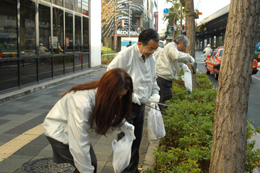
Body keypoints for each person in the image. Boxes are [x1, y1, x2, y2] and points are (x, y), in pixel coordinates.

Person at [43, 68, 135, 173]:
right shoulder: (82, 103)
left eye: (122, 96)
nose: (119, 99)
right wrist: (86, 170)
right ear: (108, 90)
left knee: (88, 163)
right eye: (118, 95)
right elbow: (79, 143)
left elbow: (111, 114)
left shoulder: (102, 92)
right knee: (78, 166)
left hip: (75, 130)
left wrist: (126, 126)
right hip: (58, 131)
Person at [107, 28, 160, 173]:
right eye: (150, 48)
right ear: (139, 44)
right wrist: (129, 95)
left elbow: (153, 79)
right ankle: (123, 170)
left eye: (155, 49)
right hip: (126, 105)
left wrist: (155, 93)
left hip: (142, 103)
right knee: (126, 140)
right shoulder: (125, 55)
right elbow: (110, 75)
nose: (152, 52)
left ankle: (133, 169)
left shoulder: (151, 58)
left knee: (136, 139)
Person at [156, 34, 195, 110]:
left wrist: (182, 65)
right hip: (163, 78)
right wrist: (188, 57)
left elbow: (173, 60)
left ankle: (161, 113)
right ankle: (161, 115)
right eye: (184, 46)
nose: (184, 49)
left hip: (164, 77)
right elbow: (176, 56)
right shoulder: (171, 47)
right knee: (166, 97)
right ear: (180, 43)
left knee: (164, 98)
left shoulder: (171, 47)